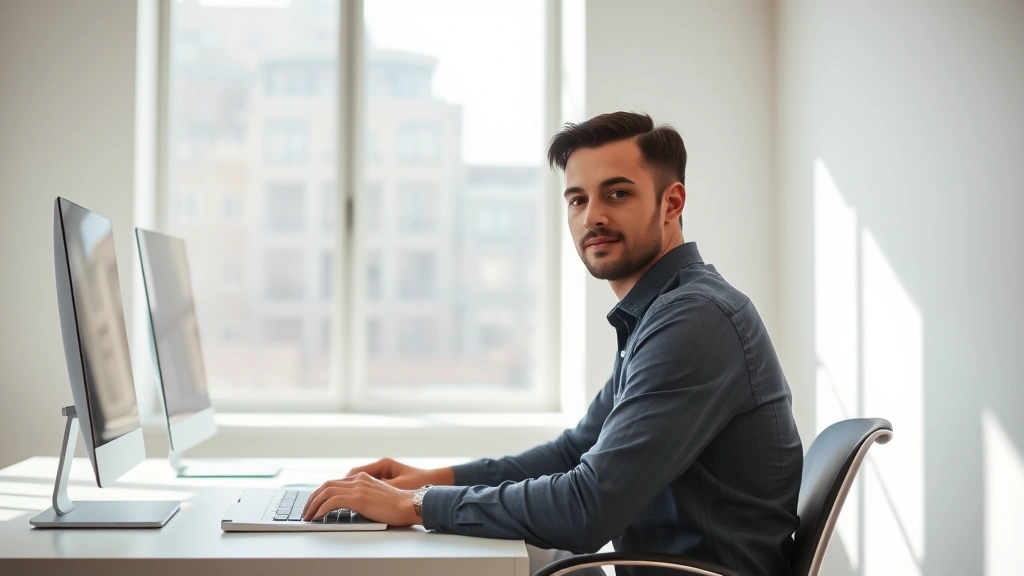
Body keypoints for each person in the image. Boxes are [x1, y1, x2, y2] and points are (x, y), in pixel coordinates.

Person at [302, 111, 803, 576]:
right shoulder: (661, 312)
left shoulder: (695, 319)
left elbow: (589, 509)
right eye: (578, 199)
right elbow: (573, 453)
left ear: (671, 203)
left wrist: (416, 505)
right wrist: (427, 478)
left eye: (618, 194)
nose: (592, 218)